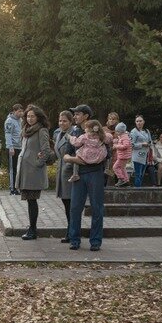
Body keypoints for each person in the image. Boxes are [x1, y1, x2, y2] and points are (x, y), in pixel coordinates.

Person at [64, 104, 106, 251]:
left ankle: (95, 241)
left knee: (97, 208)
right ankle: (74, 240)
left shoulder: (98, 130)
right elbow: (67, 153)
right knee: (75, 208)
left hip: (95, 173)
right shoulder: (75, 132)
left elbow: (106, 154)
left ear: (86, 116)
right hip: (79, 175)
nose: (74, 116)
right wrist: (69, 158)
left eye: (77, 114)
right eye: (74, 114)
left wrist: (77, 159)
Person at [15, 105, 50, 240]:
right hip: (25, 171)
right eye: (28, 116)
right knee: (30, 201)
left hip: (33, 172)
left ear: (38, 117)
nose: (30, 119)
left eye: (32, 116)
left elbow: (46, 150)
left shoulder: (41, 131)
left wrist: (38, 164)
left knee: (32, 200)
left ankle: (33, 230)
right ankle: (31, 228)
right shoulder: (26, 130)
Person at [52, 110, 75, 243]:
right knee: (66, 203)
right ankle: (70, 230)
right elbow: (56, 153)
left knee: (71, 204)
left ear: (70, 122)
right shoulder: (58, 133)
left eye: (65, 121)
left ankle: (71, 232)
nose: (61, 123)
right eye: (60, 121)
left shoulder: (73, 134)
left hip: (70, 172)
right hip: (61, 172)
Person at [5, 104, 23, 195]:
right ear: (14, 111)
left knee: (19, 168)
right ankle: (12, 188)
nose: (21, 113)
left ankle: (18, 187)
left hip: (20, 147)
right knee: (13, 169)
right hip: (13, 148)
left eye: (21, 111)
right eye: (19, 111)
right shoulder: (9, 121)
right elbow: (8, 134)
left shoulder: (20, 120)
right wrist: (10, 147)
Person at [129, 115, 152, 187]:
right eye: (137, 121)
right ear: (135, 123)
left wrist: (149, 144)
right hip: (137, 156)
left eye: (140, 121)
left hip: (145, 155)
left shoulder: (147, 131)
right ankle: (137, 190)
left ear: (143, 122)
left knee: (142, 174)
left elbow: (150, 141)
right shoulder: (133, 132)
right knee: (138, 174)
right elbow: (131, 145)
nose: (139, 122)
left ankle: (139, 189)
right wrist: (142, 144)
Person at [112, 122, 132, 187]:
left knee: (115, 167)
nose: (116, 133)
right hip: (123, 155)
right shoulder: (122, 136)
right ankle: (126, 181)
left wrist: (116, 146)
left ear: (121, 131)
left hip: (123, 156)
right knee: (122, 168)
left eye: (117, 131)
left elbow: (125, 146)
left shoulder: (125, 137)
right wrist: (116, 142)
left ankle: (121, 179)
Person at [103, 112, 119, 185]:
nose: (112, 120)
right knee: (105, 172)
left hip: (116, 154)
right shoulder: (103, 129)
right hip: (105, 154)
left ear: (117, 120)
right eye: (110, 119)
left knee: (116, 171)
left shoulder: (119, 130)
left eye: (113, 119)